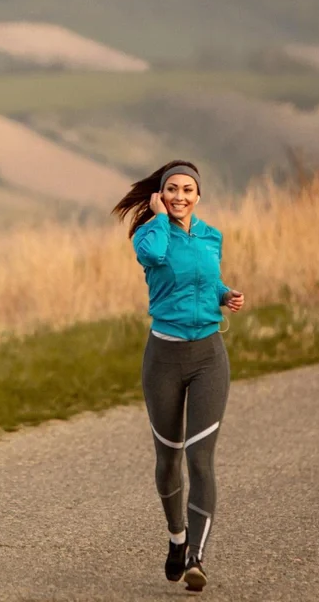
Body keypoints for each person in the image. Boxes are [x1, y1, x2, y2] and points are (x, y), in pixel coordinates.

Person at [111, 160, 244, 593]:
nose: (181, 196)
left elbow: (207, 280)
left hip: (208, 356)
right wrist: (161, 218)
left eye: (188, 190)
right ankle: (176, 537)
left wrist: (225, 295)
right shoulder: (150, 233)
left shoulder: (211, 236)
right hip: (163, 360)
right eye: (172, 189)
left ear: (199, 195)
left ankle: (196, 557)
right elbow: (155, 258)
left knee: (199, 458)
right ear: (161, 194)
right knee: (168, 461)